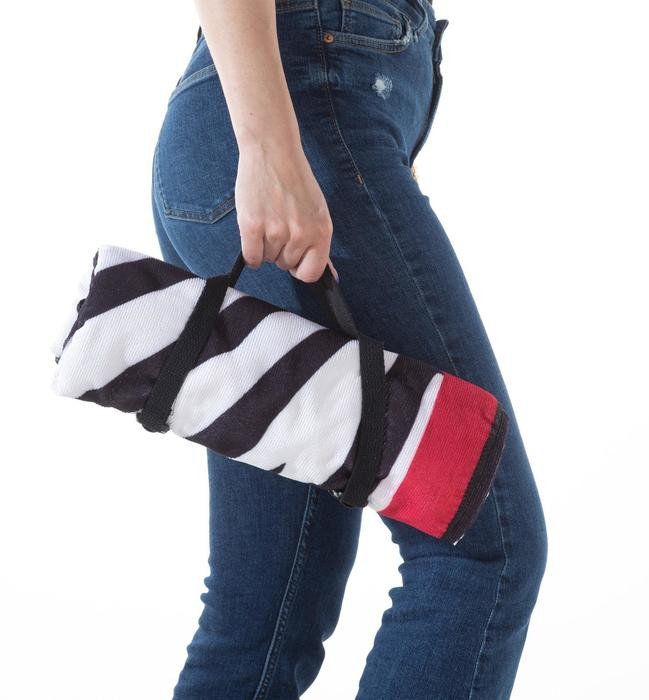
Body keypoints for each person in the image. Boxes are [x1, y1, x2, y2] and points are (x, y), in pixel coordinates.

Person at [151, 0, 548, 697]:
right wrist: (272, 151)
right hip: (300, 115)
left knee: (267, 612)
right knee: (482, 543)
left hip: (276, 122)